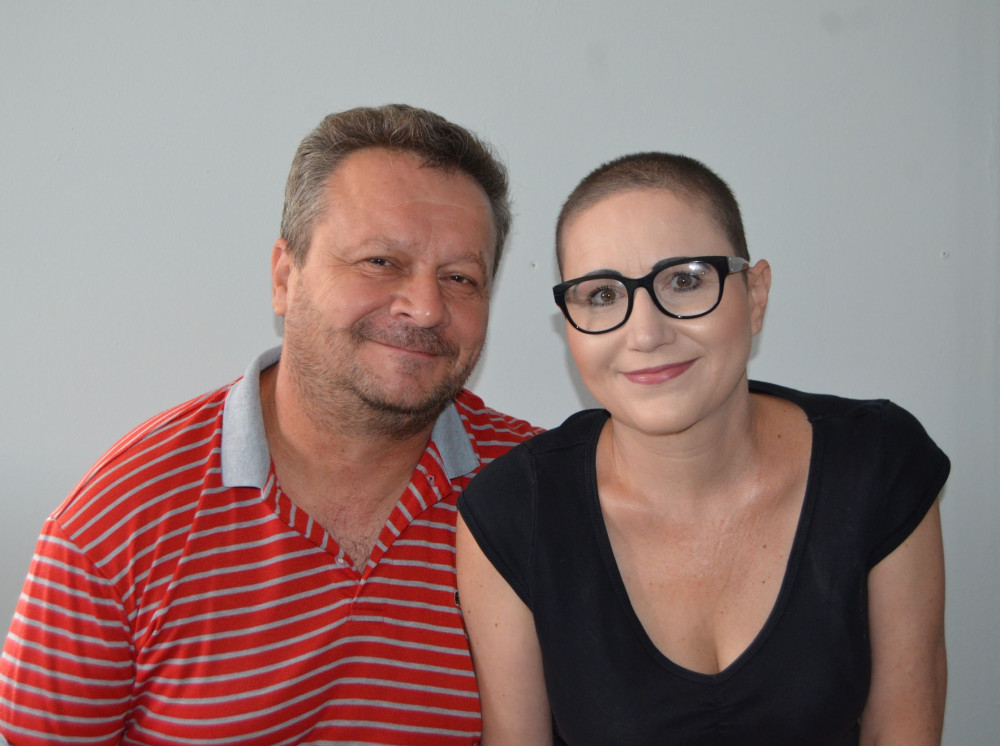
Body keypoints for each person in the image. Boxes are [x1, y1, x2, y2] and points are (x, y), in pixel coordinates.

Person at [0, 104, 540, 745]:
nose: (425, 308)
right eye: (380, 262)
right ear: (286, 279)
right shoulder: (119, 519)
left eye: (460, 277)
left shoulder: (544, 493)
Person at [457, 152, 948, 745]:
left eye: (685, 280)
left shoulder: (877, 463)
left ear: (756, 295)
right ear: (569, 325)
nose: (645, 333)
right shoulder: (513, 513)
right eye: (602, 295)